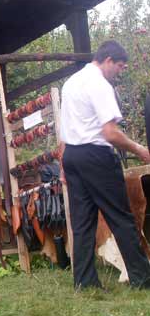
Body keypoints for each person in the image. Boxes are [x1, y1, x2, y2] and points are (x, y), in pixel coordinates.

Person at [60, 40, 150, 289]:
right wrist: (139, 149)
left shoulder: (72, 82)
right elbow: (110, 133)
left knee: (82, 222)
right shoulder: (99, 84)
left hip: (73, 156)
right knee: (121, 216)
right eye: (120, 66)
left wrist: (63, 165)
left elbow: (65, 130)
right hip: (96, 156)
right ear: (108, 60)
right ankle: (142, 279)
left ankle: (85, 282)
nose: (120, 71)